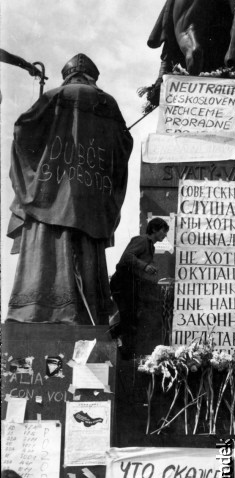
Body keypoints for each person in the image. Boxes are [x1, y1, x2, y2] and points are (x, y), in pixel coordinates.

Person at [6, 54, 133, 325]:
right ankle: (86, 315)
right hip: (89, 200)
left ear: (68, 76)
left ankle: (36, 311)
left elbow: (22, 133)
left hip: (49, 194)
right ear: (91, 76)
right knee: (86, 253)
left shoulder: (52, 97)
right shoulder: (107, 102)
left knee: (44, 247)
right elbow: (122, 147)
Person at [110, 217, 169, 357]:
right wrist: (145, 266)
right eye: (163, 231)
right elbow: (127, 257)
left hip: (131, 284)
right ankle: (112, 337)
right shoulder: (142, 240)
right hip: (123, 282)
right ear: (154, 229)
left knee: (133, 319)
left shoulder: (151, 246)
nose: (165, 235)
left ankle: (122, 347)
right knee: (129, 318)